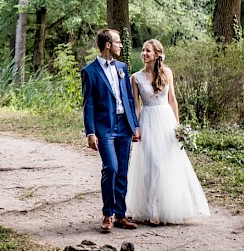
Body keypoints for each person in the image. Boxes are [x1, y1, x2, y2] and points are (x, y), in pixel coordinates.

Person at [125, 39, 210, 225]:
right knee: (151, 165)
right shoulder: (135, 78)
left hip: (166, 121)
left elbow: (172, 100)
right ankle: (152, 210)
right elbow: (136, 106)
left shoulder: (167, 73)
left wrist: (178, 127)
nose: (144, 53)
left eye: (148, 51)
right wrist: (136, 127)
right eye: (143, 50)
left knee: (169, 164)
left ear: (157, 54)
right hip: (147, 121)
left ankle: (172, 207)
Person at [82, 28, 140, 233]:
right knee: (111, 168)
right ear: (108, 45)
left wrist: (135, 125)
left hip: (124, 125)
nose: (121, 45)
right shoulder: (89, 72)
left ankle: (120, 215)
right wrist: (90, 132)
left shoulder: (122, 68)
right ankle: (108, 214)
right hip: (104, 128)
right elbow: (88, 104)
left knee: (123, 170)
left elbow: (129, 99)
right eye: (118, 42)